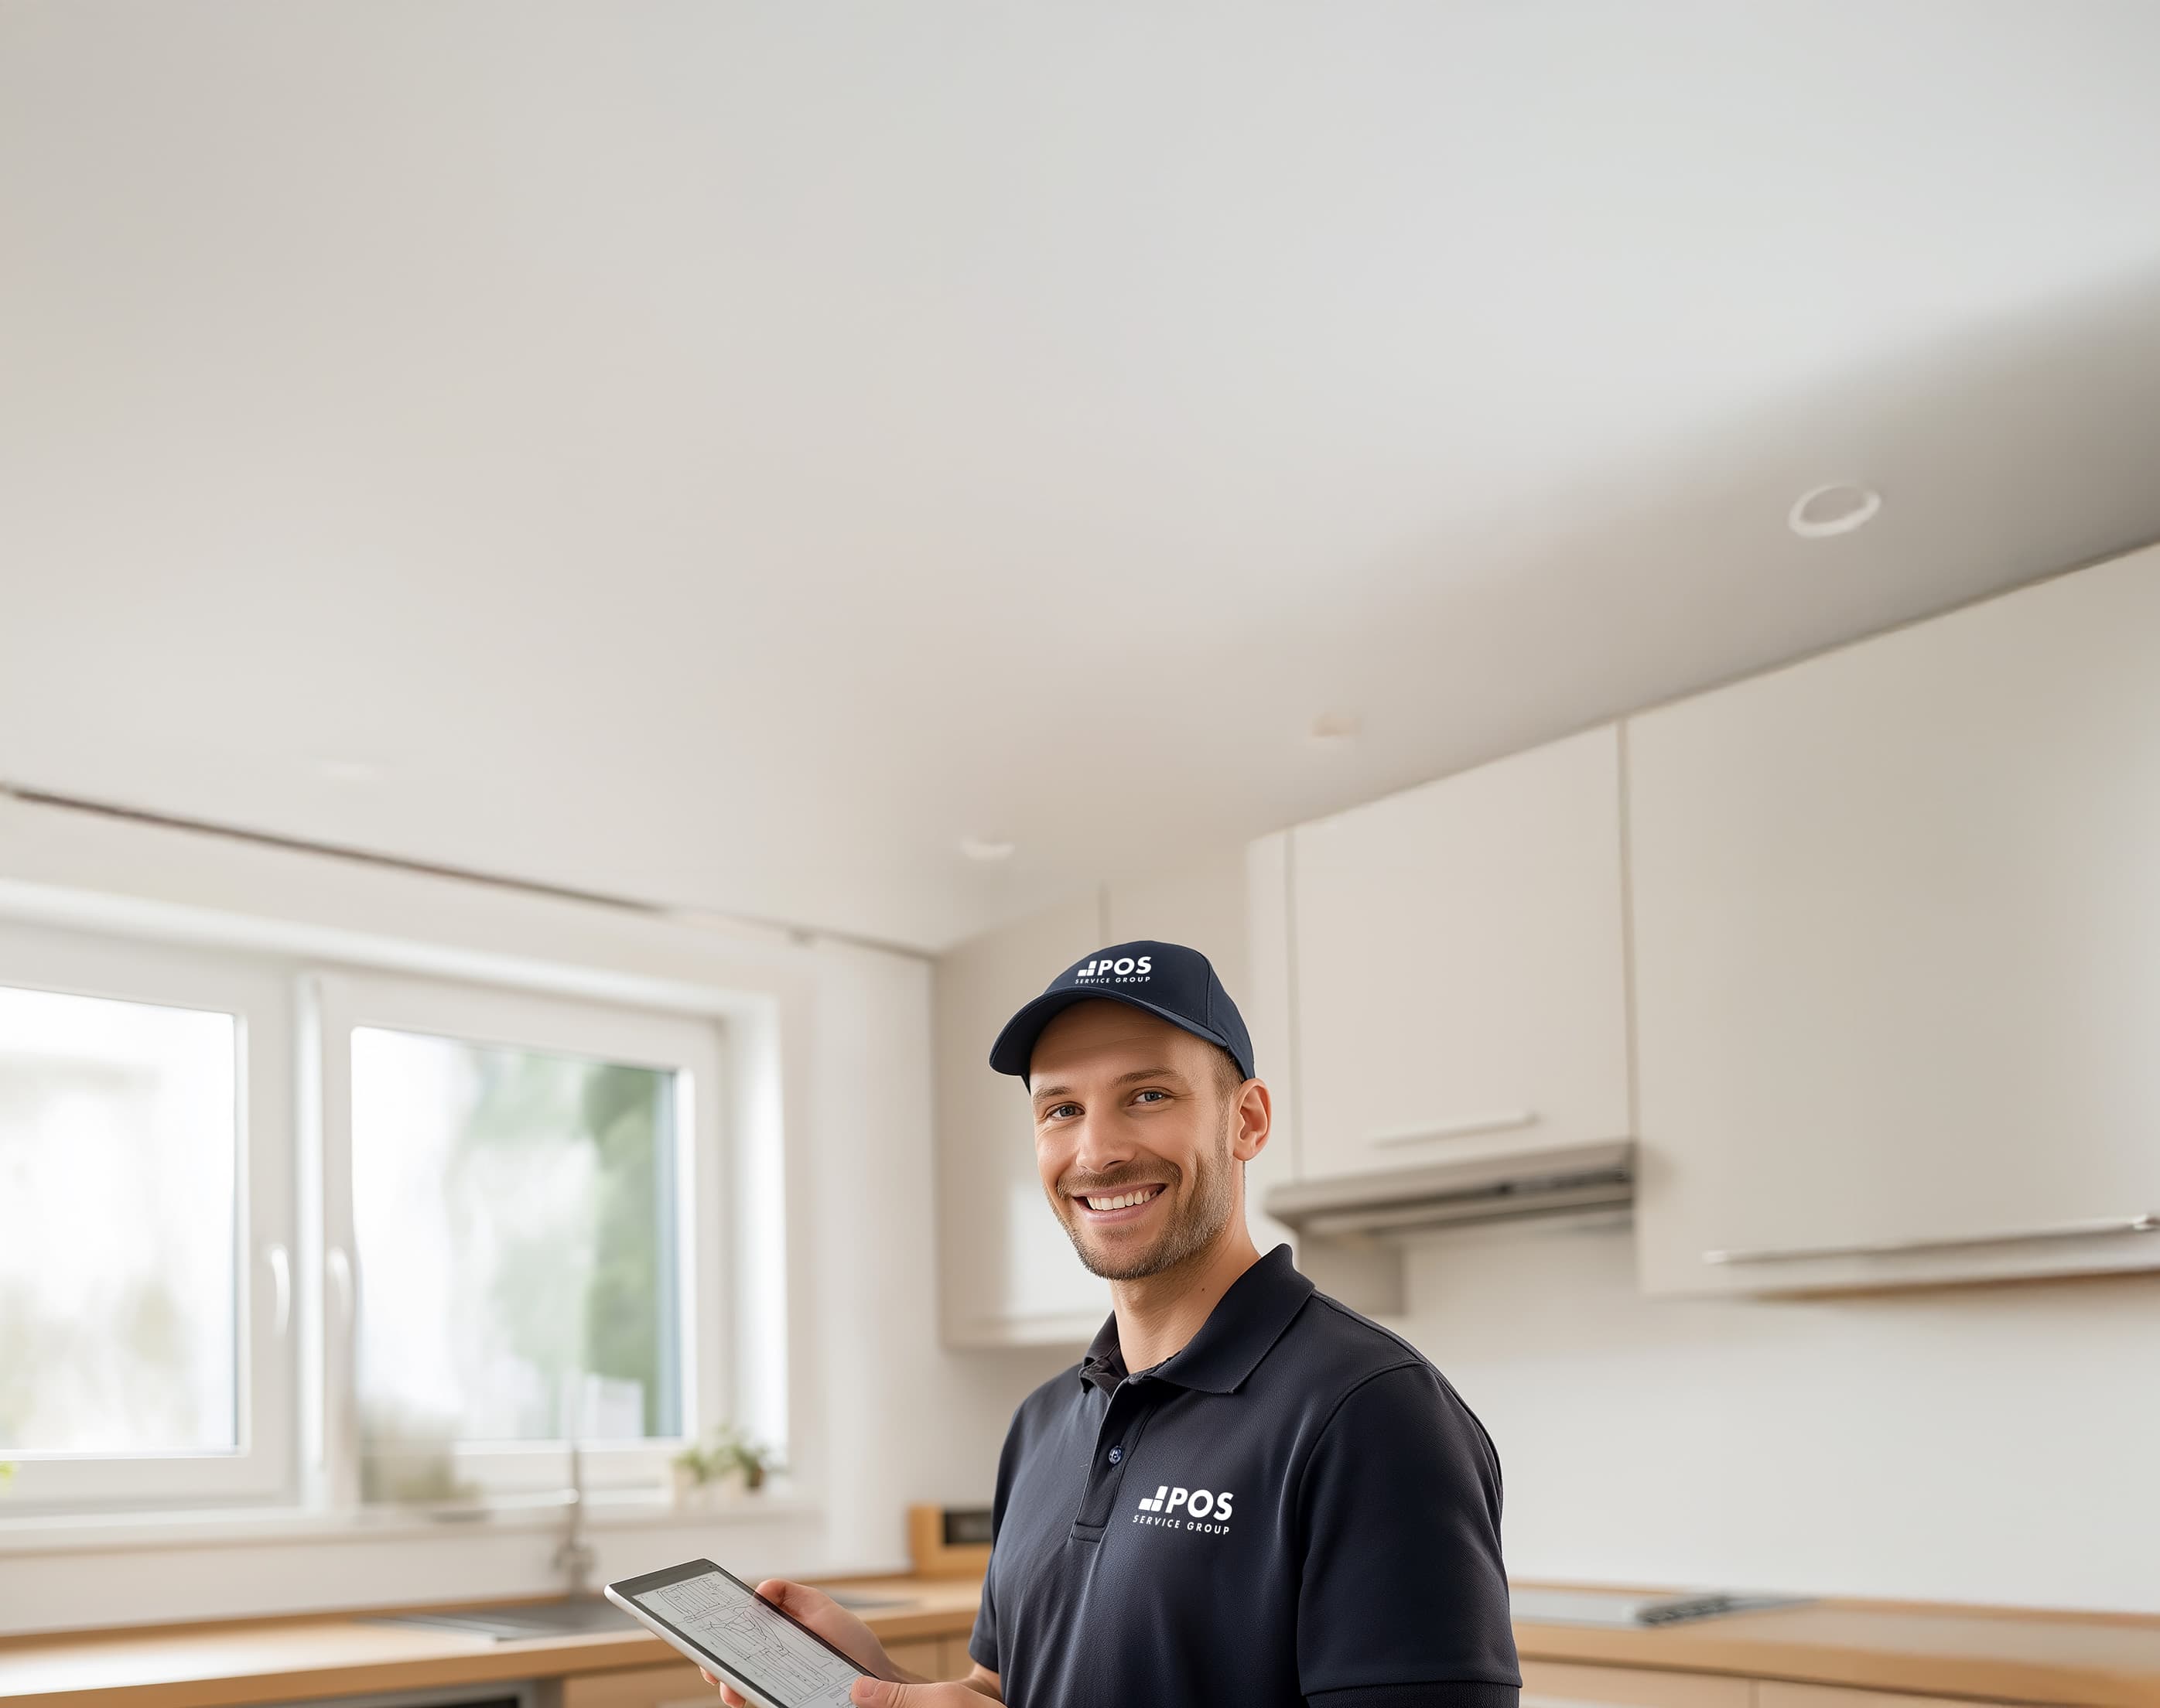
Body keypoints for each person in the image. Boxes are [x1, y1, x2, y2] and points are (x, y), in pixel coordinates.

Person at [705, 940, 1520, 1707]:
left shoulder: (1369, 1413)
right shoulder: (1045, 1422)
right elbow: (1007, 1693)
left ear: (1247, 1121)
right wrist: (870, 1679)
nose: (1095, 1152)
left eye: (1148, 1095)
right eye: (1060, 1109)